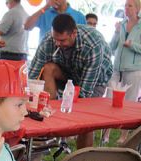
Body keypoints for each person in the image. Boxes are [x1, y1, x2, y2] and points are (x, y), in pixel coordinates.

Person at [28, 14, 112, 148]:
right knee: (48, 68)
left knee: (85, 118)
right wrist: (26, 99)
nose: (57, 44)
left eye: (62, 40)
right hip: (69, 72)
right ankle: (50, 114)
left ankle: (83, 160)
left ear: (73, 34)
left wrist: (73, 118)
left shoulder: (92, 44)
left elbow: (85, 92)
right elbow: (33, 75)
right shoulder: (49, 40)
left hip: (96, 80)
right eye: (56, 39)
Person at [103, 0, 141, 144]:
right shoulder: (122, 24)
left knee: (129, 102)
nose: (126, 8)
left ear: (137, 8)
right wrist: (116, 32)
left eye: (130, 5)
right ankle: (106, 133)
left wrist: (133, 45)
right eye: (125, 5)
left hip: (134, 69)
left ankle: (124, 135)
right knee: (109, 99)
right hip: (116, 68)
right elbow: (111, 47)